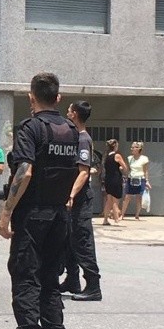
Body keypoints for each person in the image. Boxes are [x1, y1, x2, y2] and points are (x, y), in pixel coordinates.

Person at [0, 72, 80, 329]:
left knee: (26, 280)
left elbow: (25, 172)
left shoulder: (30, 128)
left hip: (33, 217)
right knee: (50, 281)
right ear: (58, 98)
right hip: (60, 217)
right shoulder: (72, 130)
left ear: (31, 97)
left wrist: (5, 214)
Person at [59, 100, 102, 301]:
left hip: (80, 200)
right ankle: (72, 279)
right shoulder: (76, 137)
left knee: (82, 240)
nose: (67, 112)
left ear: (75, 113)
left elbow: (83, 173)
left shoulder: (83, 139)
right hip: (72, 201)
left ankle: (93, 286)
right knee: (69, 239)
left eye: (69, 109)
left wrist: (71, 195)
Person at [119, 141, 151, 220]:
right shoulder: (130, 158)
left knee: (139, 197)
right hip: (131, 178)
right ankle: (122, 215)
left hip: (140, 178)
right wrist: (123, 169)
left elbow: (146, 171)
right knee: (127, 197)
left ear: (138, 148)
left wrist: (147, 181)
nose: (131, 149)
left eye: (133, 147)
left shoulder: (144, 159)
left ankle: (137, 215)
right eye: (131, 147)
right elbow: (128, 169)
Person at [101, 139, 128, 225]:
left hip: (108, 179)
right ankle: (116, 219)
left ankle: (105, 219)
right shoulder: (117, 156)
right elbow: (125, 167)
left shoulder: (106, 156)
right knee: (116, 200)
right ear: (115, 146)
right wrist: (121, 169)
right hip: (116, 179)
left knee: (109, 200)